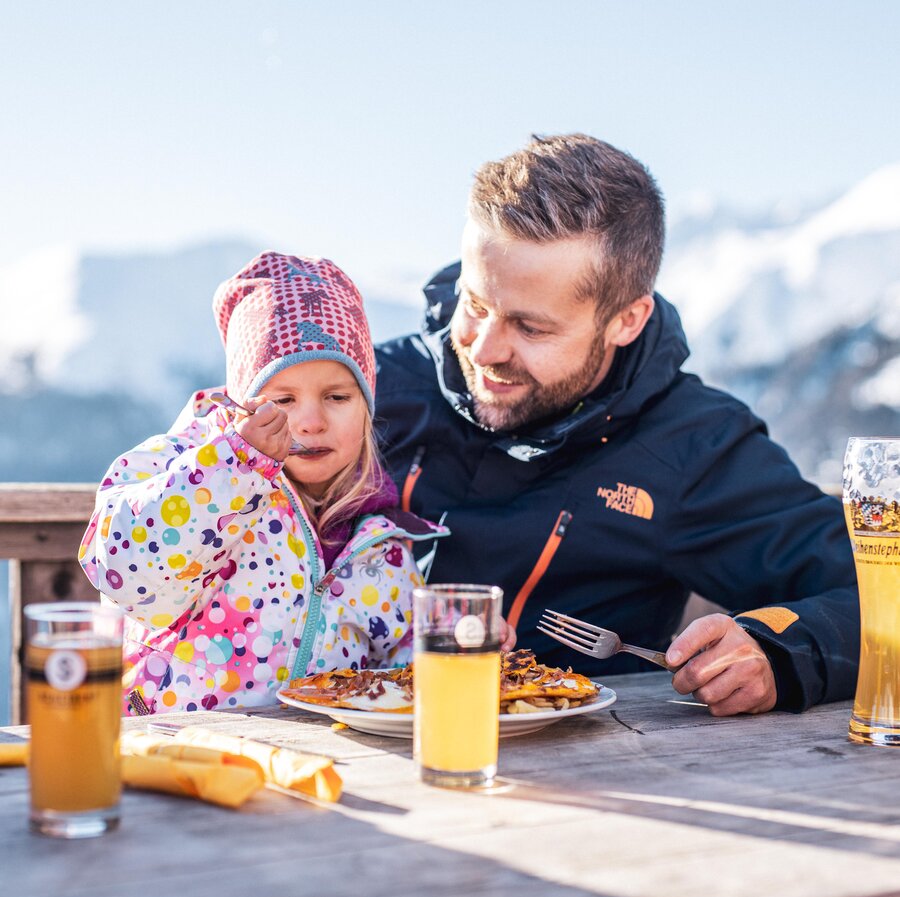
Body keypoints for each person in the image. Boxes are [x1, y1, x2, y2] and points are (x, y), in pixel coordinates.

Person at [375, 133, 859, 716]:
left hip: (579, 783)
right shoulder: (369, 386)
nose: (482, 348)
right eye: (475, 304)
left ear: (626, 320)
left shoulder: (690, 448)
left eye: (531, 329)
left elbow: (882, 593)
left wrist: (782, 652)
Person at [79, 251, 452, 715]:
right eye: (284, 399)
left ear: (367, 408)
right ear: (243, 405)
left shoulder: (380, 544)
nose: (311, 421)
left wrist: (456, 647)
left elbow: (400, 675)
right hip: (171, 751)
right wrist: (234, 468)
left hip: (313, 767)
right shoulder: (188, 465)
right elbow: (123, 571)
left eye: (337, 396)